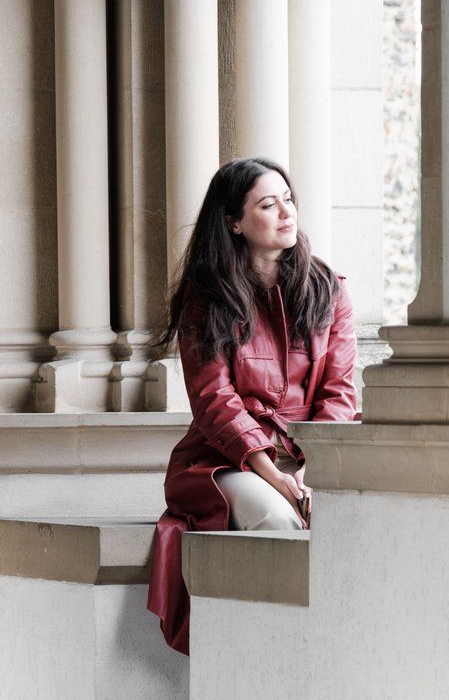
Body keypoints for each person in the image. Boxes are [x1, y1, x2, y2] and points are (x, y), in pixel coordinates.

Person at [145, 157, 358, 655]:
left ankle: (338, 656)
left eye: (289, 199)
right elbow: (214, 402)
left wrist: (310, 471)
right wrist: (276, 476)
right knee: (278, 519)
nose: (286, 212)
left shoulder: (329, 290)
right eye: (268, 203)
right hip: (225, 460)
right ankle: (275, 658)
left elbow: (340, 394)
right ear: (233, 222)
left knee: (356, 517)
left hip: (308, 457)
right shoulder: (207, 299)